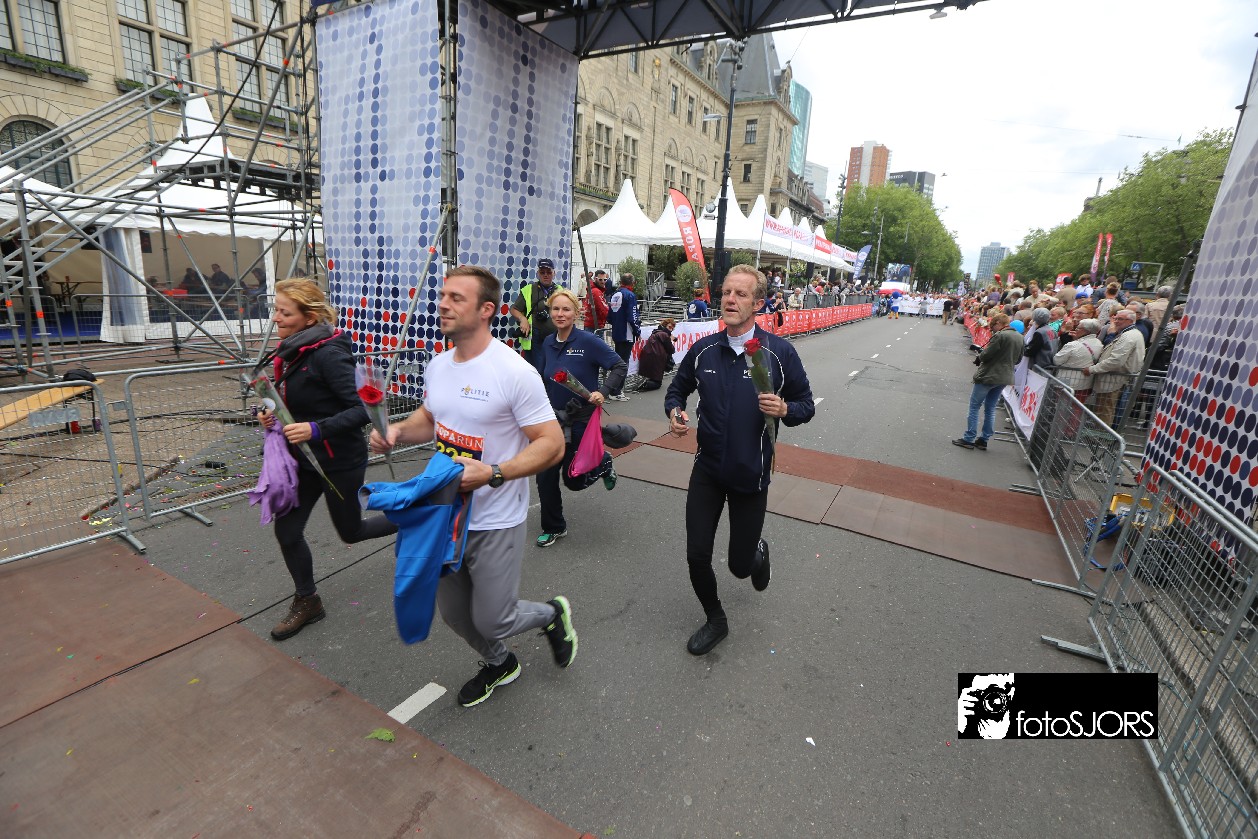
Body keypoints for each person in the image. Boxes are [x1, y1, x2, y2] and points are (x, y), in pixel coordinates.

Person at [372, 264, 575, 708]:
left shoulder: (513, 372)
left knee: (495, 617)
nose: (442, 304)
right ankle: (501, 663)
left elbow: (552, 444)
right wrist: (398, 432)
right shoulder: (439, 364)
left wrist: (494, 472)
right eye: (443, 295)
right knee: (455, 615)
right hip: (443, 514)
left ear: (486, 310)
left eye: (456, 298)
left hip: (495, 518)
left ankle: (550, 614)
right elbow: (431, 418)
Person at [664, 264, 815, 656]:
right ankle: (716, 619)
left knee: (739, 566)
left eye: (741, 294)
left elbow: (806, 405)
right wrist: (675, 412)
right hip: (708, 470)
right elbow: (677, 390)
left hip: (751, 475)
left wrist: (785, 409)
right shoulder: (703, 350)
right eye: (726, 292)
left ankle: (755, 553)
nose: (730, 299)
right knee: (696, 554)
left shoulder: (778, 353)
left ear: (758, 303)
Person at [257, 278, 399, 641]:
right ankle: (308, 601)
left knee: (351, 531)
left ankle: (413, 518)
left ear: (309, 318)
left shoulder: (329, 353)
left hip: (339, 461)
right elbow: (291, 400)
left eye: (285, 312)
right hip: (303, 461)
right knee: (287, 532)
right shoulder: (291, 350)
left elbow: (363, 409)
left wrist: (316, 429)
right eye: (276, 310)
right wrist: (270, 414)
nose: (276, 318)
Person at [534, 286, 625, 548]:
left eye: (566, 309)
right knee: (545, 476)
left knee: (573, 480)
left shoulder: (588, 341)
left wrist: (603, 392)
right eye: (555, 309)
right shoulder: (548, 343)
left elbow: (618, 366)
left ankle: (602, 462)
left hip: (581, 419)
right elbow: (543, 378)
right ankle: (554, 527)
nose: (560, 314)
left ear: (576, 312)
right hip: (554, 421)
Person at [953, 312, 1023, 451]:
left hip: (989, 375)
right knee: (990, 408)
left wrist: (980, 356)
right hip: (1005, 376)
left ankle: (969, 438)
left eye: (993, 326)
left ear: (999, 323)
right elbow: (1019, 359)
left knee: (974, 406)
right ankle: (984, 439)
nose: (992, 329)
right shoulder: (1020, 337)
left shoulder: (1000, 335)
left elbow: (986, 355)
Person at [1085, 308, 1146, 427]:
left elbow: (1116, 361)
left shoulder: (1128, 336)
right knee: (1104, 409)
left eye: (1120, 319)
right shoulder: (1129, 333)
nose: (1116, 321)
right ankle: (1099, 434)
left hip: (1113, 379)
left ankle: (1100, 435)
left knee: (1104, 410)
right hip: (1114, 378)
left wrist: (1092, 369)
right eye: (1116, 318)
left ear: (1130, 321)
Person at [510, 257, 561, 374]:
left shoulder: (560, 290)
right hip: (535, 339)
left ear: (554, 273)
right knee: (536, 371)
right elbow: (514, 309)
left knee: (553, 370)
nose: (545, 275)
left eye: (549, 272)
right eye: (542, 272)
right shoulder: (528, 289)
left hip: (555, 337)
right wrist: (522, 319)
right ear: (538, 273)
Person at [607, 273, 640, 401]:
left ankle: (613, 389)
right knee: (623, 363)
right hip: (627, 334)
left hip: (616, 332)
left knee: (617, 362)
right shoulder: (630, 295)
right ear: (632, 283)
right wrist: (637, 331)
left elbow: (609, 317)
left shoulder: (615, 294)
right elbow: (633, 317)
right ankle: (616, 391)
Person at [1053, 318, 1104, 400]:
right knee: (1077, 407)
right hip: (1086, 384)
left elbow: (1056, 361)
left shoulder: (1073, 345)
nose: (1076, 329)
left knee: (1061, 406)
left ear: (1086, 331)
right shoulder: (1099, 343)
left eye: (1078, 328)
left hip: (1066, 383)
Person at [636, 317, 676, 391]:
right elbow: (671, 349)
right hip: (658, 358)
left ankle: (646, 383)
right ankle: (646, 384)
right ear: (665, 325)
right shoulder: (664, 335)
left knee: (653, 377)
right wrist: (671, 340)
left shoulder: (655, 332)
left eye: (672, 328)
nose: (671, 329)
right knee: (658, 383)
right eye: (669, 327)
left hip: (649, 355)